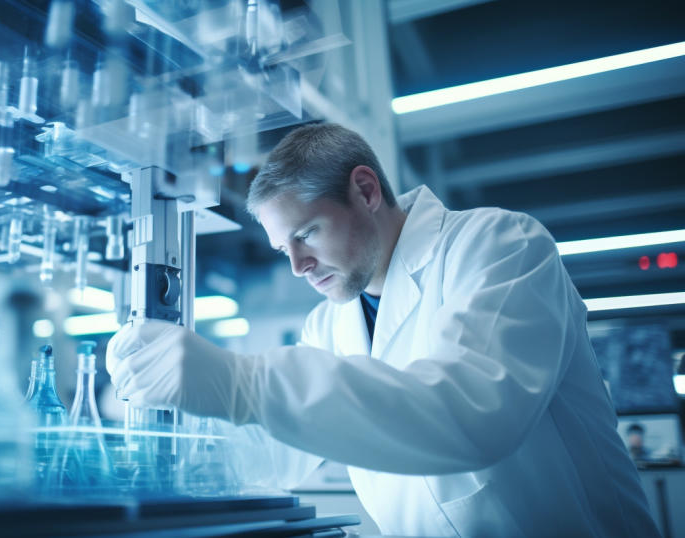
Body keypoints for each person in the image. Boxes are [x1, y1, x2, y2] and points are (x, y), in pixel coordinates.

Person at [106, 123, 659, 537]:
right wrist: (171, 436)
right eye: (284, 249)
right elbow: (273, 453)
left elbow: (471, 413)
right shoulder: (327, 324)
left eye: (307, 233)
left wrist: (244, 383)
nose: (297, 266)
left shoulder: (499, 245)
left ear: (366, 191)